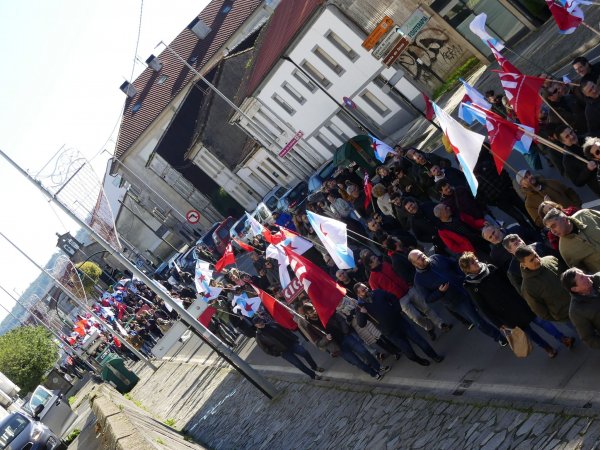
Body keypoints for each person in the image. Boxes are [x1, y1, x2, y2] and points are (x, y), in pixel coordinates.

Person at [459, 252, 560, 357]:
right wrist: (498, 324)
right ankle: (547, 348)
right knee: (529, 332)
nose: (476, 262)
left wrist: (523, 295)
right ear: (468, 269)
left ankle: (562, 338)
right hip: (506, 314)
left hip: (518, 302)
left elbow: (509, 282)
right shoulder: (471, 286)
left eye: (475, 259)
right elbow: (483, 307)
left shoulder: (490, 268)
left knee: (541, 321)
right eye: (472, 263)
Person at [408, 249, 507, 346]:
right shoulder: (419, 280)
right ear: (414, 263)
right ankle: (499, 337)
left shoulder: (436, 257)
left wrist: (462, 276)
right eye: (419, 258)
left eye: (421, 254)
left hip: (468, 288)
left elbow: (454, 264)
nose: (422, 257)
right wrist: (440, 292)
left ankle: (508, 326)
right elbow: (428, 298)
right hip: (456, 302)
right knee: (478, 321)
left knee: (491, 307)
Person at [354, 283, 444, 366]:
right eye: (363, 290)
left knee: (419, 340)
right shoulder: (360, 307)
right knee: (408, 352)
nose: (366, 290)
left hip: (400, 322)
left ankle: (434, 356)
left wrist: (397, 310)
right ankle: (418, 360)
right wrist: (362, 313)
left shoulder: (377, 292)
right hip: (390, 332)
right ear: (358, 294)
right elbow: (361, 324)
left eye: (366, 287)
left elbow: (393, 297)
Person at [322, 312, 390, 380]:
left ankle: (378, 367)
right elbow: (319, 343)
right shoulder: (316, 326)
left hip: (346, 337)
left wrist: (345, 331)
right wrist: (326, 339)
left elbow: (341, 320)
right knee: (357, 362)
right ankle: (373, 374)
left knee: (364, 351)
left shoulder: (328, 312)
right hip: (338, 348)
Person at [253, 317, 324, 380]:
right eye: (258, 323)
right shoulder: (259, 337)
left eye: (260, 321)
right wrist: (277, 353)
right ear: (256, 325)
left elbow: (285, 330)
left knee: (305, 352)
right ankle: (313, 375)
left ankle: (314, 367)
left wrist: (294, 339)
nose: (260, 323)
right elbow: (266, 349)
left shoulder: (272, 324)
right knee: (298, 364)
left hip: (291, 344)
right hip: (284, 352)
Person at [515, 246, 571, 323]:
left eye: (536, 255)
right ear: (523, 265)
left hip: (582, 299)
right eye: (531, 260)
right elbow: (541, 312)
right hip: (567, 316)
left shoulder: (550, 259)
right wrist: (561, 318)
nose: (537, 260)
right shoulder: (528, 288)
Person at [514, 169, 581, 227]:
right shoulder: (529, 203)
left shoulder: (550, 182)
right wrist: (545, 211)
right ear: (522, 185)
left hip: (577, 213)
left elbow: (569, 191)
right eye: (525, 177)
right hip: (563, 226)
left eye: (529, 174)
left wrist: (577, 206)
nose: (530, 177)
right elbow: (539, 223)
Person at [542, 208, 600, 273]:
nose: (553, 232)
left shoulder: (585, 214)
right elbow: (581, 273)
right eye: (550, 229)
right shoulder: (564, 249)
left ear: (564, 219)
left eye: (553, 226)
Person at [551, 124, 600, 195]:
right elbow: (577, 182)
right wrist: (588, 170)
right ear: (563, 142)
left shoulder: (589, 139)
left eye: (571, 132)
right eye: (567, 136)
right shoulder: (568, 160)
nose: (571, 136)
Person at [561, 268, 600, 349]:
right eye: (582, 278)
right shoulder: (576, 311)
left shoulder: (597, 278)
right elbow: (589, 339)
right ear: (575, 289)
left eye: (583, 274)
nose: (587, 276)